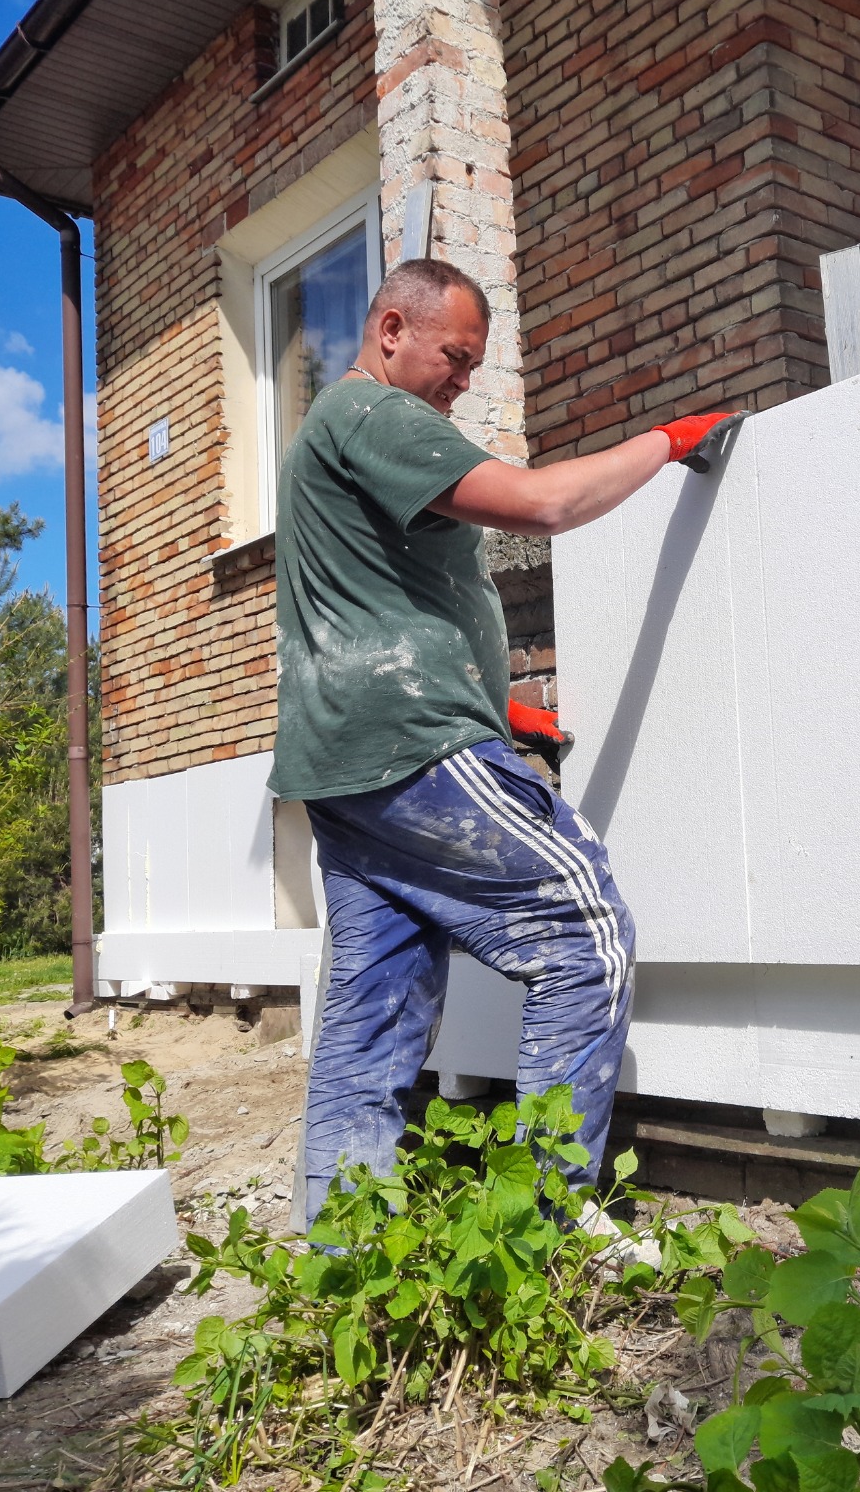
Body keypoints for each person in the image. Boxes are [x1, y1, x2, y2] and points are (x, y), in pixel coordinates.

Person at [269, 257, 732, 1219]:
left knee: (374, 1007)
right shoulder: (377, 414)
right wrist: (667, 440)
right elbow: (544, 504)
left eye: (476, 365)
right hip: (412, 743)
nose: (464, 381)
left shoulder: (331, 432)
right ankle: (548, 1219)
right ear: (391, 330)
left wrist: (498, 703)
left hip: (346, 763)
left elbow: (378, 598)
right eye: (455, 355)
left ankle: (344, 1250)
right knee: (583, 929)